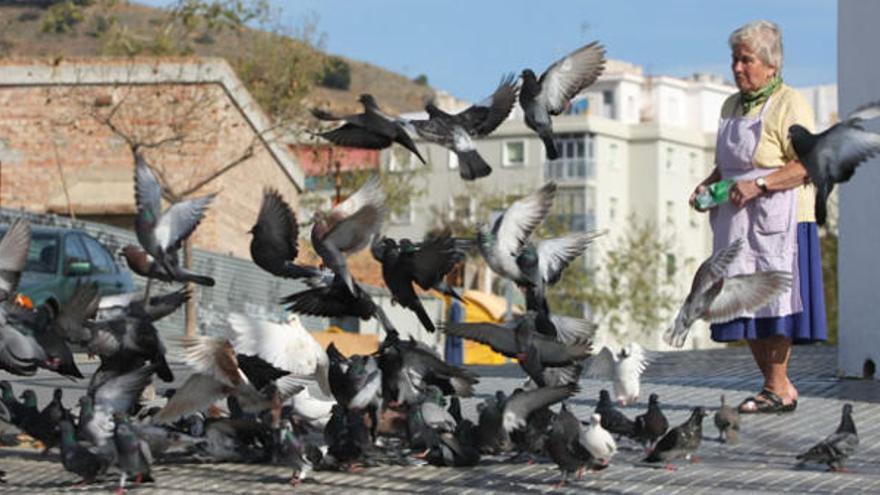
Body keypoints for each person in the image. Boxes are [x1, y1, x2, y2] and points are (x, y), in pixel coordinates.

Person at [689, 20, 827, 414]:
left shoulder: (791, 103)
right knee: (739, 301)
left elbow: (806, 165)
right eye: (734, 59)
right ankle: (774, 386)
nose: (737, 68)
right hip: (735, 221)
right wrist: (707, 185)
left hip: (780, 221)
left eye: (746, 60)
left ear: (770, 65)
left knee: (776, 301)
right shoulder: (729, 105)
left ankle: (778, 387)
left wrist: (761, 185)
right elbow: (725, 166)